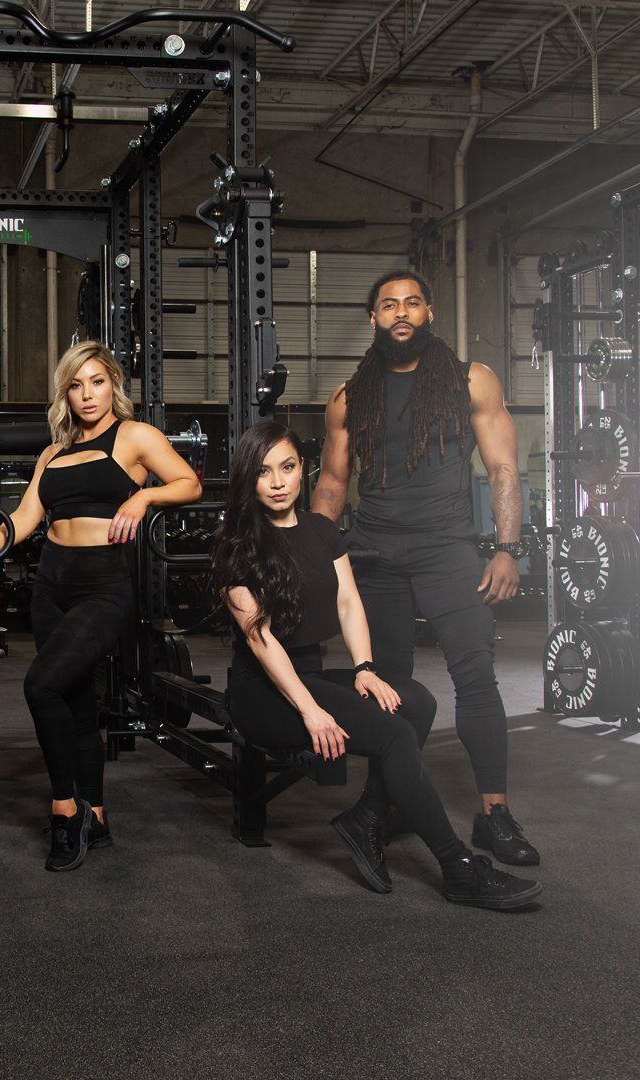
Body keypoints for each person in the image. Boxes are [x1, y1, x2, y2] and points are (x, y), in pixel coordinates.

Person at [211, 422, 540, 909]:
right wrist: (310, 711)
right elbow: (260, 641)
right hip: (262, 690)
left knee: (417, 702)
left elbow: (348, 602)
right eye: (263, 473)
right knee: (394, 735)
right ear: (247, 479)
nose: (278, 482)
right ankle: (457, 867)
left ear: (304, 468)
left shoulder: (322, 531)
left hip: (311, 674)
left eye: (287, 467)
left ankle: (367, 817)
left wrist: (366, 668)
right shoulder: (235, 544)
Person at [312, 270, 540, 866]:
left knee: (476, 675)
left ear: (430, 311)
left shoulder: (471, 382)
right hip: (374, 555)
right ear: (373, 319)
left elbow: (504, 470)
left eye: (412, 301)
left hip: (448, 552)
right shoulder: (349, 396)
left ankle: (494, 814)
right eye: (388, 304)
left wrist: (507, 547)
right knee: (389, 689)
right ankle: (384, 806)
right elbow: (333, 483)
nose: (401, 312)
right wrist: (311, 556)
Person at [0, 341, 200, 871]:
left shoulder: (135, 436)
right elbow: (23, 521)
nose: (87, 394)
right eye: (76, 385)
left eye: (96, 381)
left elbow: (188, 482)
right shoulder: (53, 453)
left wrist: (142, 497)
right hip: (52, 581)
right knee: (72, 701)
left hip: (103, 582)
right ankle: (95, 815)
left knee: (40, 684)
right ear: (65, 394)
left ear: (112, 384)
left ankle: (64, 808)